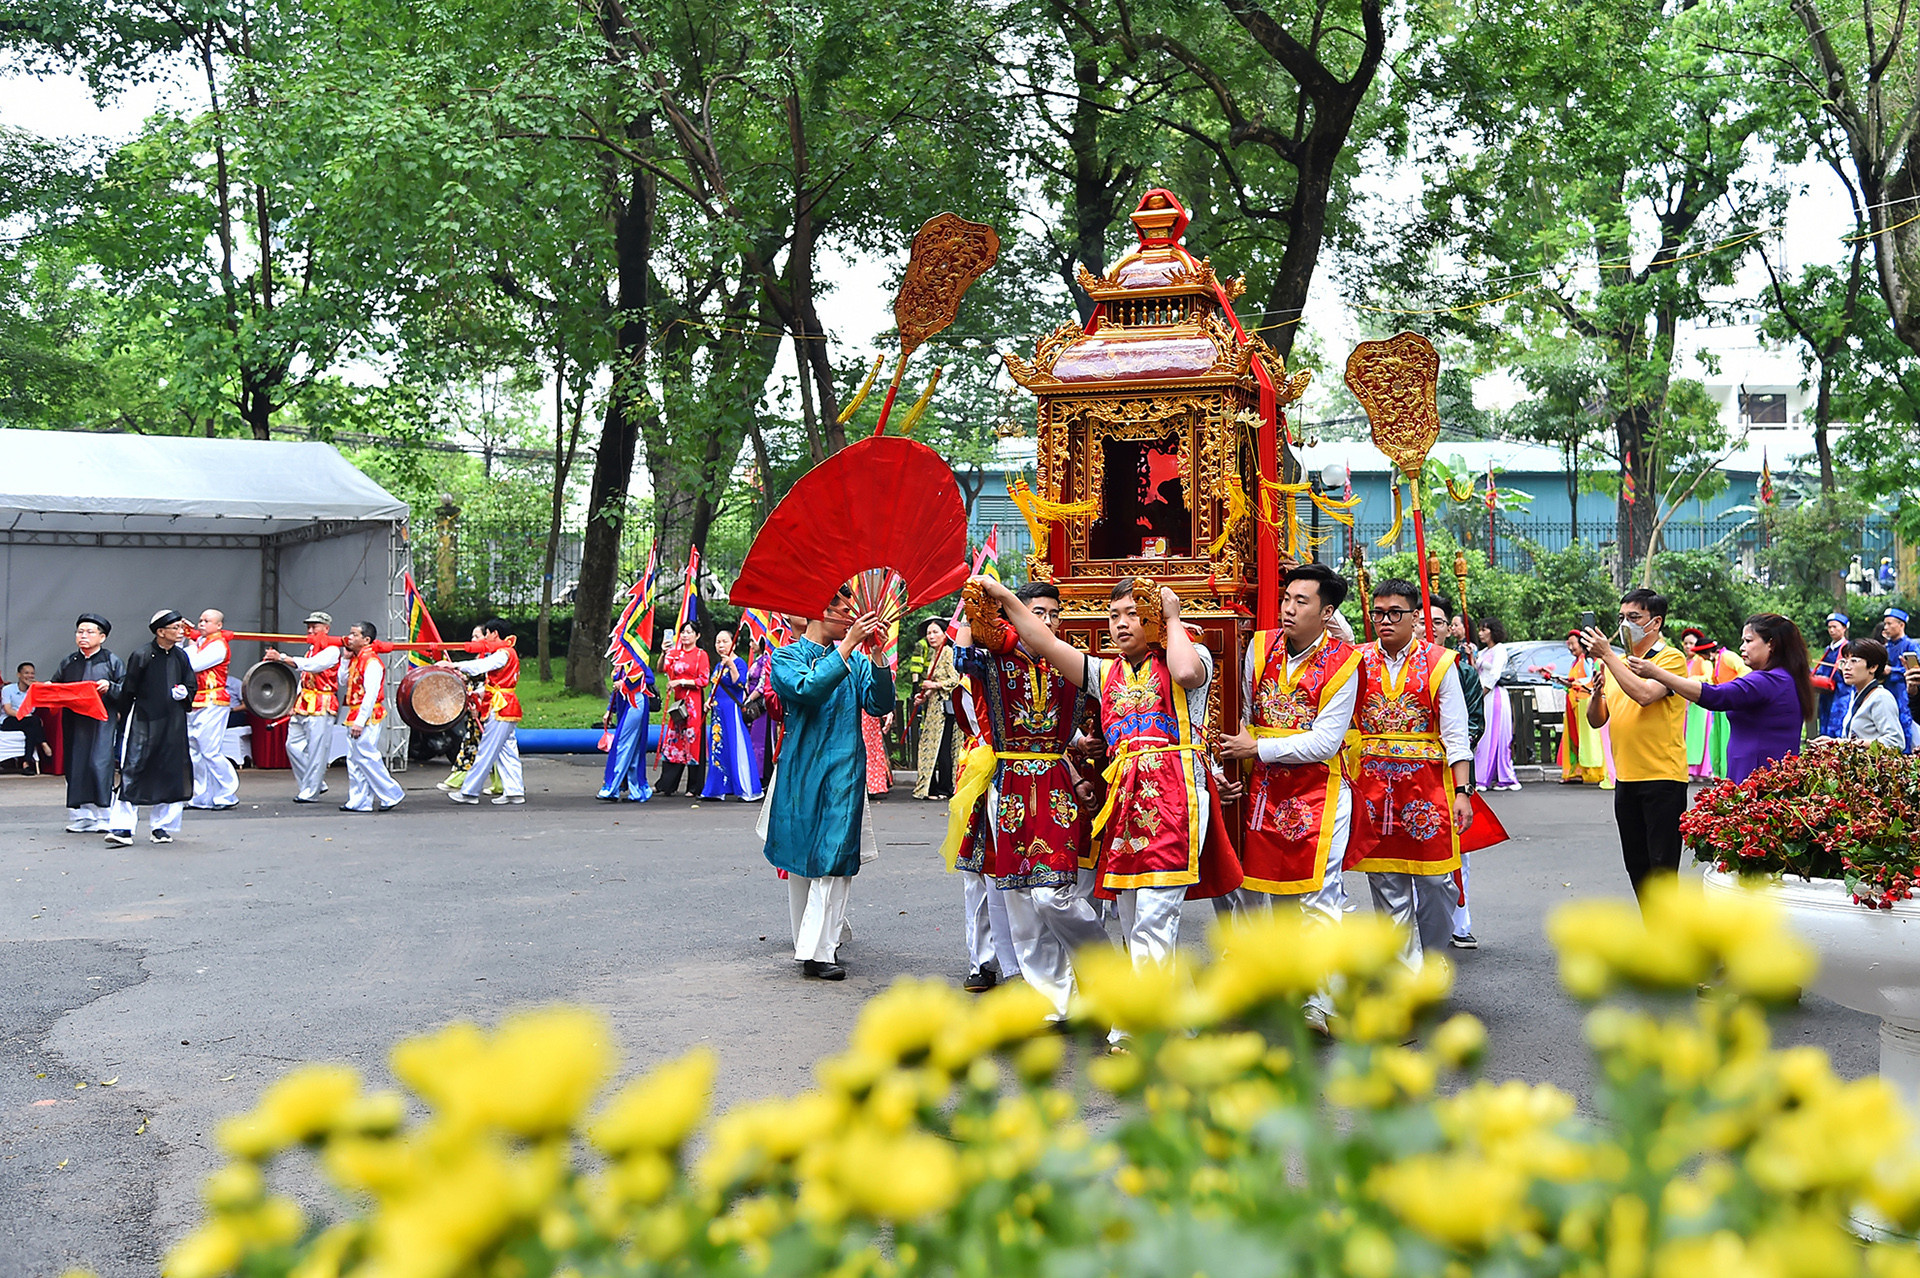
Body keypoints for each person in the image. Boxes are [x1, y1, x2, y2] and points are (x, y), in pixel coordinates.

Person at [975, 574, 1240, 1002]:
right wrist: (1005, 596)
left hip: (1176, 795)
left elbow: (1187, 672)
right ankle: (1179, 1015)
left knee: (1156, 912)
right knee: (1136, 918)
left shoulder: (1191, 654)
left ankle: (1136, 1025)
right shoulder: (1102, 671)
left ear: (1153, 616)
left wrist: (1172, 617)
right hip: (1128, 802)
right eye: (1114, 615)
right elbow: (1045, 644)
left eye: (1133, 614)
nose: (1121, 624)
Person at [1215, 563, 1359, 1027]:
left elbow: (1324, 741)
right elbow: (1239, 711)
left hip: (1320, 790)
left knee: (1319, 895)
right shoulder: (1258, 647)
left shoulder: (1345, 663)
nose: (1289, 609)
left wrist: (1256, 747)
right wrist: (1231, 766)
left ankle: (1322, 998)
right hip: (1262, 790)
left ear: (1327, 611)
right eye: (1287, 599)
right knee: (1261, 893)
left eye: (1302, 601)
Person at [949, 580, 1091, 1012]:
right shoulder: (993, 660)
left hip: (1055, 782)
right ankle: (1054, 999)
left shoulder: (1069, 662)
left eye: (1052, 613)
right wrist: (972, 611)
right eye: (1037, 613)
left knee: (1054, 892)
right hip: (1007, 782)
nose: (1046, 621)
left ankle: (1103, 965)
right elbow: (960, 656)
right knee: (1019, 896)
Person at [763, 583, 894, 981]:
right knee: (806, 859)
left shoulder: (855, 662)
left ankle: (820, 950)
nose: (850, 615)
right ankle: (812, 941)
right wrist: (847, 647)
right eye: (842, 607)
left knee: (837, 859)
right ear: (818, 609)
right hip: (801, 773)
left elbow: (880, 704)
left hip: (845, 773)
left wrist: (877, 656)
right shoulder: (785, 658)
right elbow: (809, 689)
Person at [1342, 581, 1475, 971]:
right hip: (1373, 791)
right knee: (1387, 884)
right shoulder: (1355, 659)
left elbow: (1456, 733)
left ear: (1416, 617)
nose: (1385, 621)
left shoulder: (1440, 662)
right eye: (1378, 613)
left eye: (1394, 613)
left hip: (1428, 790)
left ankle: (1431, 956)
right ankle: (1406, 976)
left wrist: (1463, 791)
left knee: (1438, 883)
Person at [1581, 589, 1690, 901]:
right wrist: (1597, 694)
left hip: (1662, 777)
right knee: (1637, 865)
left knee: (1662, 867)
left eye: (1634, 617)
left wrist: (1609, 657)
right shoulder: (1618, 664)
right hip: (1626, 778)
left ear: (1654, 623)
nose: (1625, 624)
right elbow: (1597, 720)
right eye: (1621, 618)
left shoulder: (1670, 658)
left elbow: (1645, 695)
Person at [1629, 612, 1813, 783]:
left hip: (1757, 776)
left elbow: (1715, 695)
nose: (1742, 647)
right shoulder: (1786, 677)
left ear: (1771, 644)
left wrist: (1657, 673)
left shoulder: (1768, 680)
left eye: (1749, 641)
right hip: (1768, 773)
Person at [106, 610, 195, 845]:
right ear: (160, 631)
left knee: (172, 770)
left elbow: (190, 683)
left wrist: (186, 693)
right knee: (134, 768)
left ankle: (162, 827)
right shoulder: (142, 655)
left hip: (173, 720)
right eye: (175, 628)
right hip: (144, 719)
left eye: (180, 627)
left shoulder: (181, 657)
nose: (180, 632)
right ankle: (122, 828)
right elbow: (129, 689)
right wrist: (123, 716)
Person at [55, 615, 125, 832]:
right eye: (80, 632)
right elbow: (56, 685)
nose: (83, 636)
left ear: (102, 637)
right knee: (76, 765)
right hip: (75, 721)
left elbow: (127, 688)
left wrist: (110, 686)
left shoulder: (111, 660)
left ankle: (105, 815)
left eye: (89, 632)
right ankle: (83, 816)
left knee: (99, 763)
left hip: (101, 721)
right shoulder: (69, 662)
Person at [445, 619, 524, 806]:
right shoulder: (507, 652)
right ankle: (515, 791)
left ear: (494, 634)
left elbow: (482, 666)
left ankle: (470, 792)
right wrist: (477, 693)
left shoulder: (503, 653)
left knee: (487, 750)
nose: (486, 638)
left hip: (500, 706)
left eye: (486, 634)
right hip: (505, 704)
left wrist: (455, 665)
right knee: (507, 751)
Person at [264, 613, 341, 803]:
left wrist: (282, 657)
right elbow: (304, 678)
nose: (310, 631)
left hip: (322, 703)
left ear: (326, 629)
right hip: (304, 702)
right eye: (309, 627)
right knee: (293, 745)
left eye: (315, 627)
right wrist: (294, 702)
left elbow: (313, 666)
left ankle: (310, 791)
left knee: (316, 749)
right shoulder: (310, 650)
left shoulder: (332, 650)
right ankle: (315, 783)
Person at [336, 621, 404, 813]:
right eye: (350, 634)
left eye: (354, 634)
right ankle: (360, 801)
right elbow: (342, 680)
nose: (350, 638)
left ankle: (391, 793)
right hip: (356, 712)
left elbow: (371, 694)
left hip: (366, 714)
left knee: (366, 756)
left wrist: (360, 721)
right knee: (355, 759)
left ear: (366, 640)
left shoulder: (372, 661)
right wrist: (345, 659)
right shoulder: (357, 659)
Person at [184, 609, 239, 811]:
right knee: (194, 750)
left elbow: (194, 664)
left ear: (218, 626)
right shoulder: (200, 643)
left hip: (214, 700)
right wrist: (191, 640)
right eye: (200, 620)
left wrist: (190, 642)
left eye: (207, 621)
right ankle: (201, 794)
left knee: (209, 749)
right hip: (196, 700)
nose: (201, 624)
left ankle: (227, 791)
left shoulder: (218, 645)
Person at [701, 628, 764, 801]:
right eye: (718, 642)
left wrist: (731, 665)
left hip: (732, 711)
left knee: (737, 746)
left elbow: (740, 683)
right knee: (717, 748)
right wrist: (708, 701)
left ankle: (747, 789)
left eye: (724, 641)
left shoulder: (739, 662)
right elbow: (715, 686)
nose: (721, 645)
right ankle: (716, 789)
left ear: (733, 644)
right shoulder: (718, 665)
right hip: (717, 712)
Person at [1678, 627, 1748, 781]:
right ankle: (1720, 773)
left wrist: (1736, 689)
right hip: (1723, 703)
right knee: (1717, 740)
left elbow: (1744, 671)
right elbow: (1713, 680)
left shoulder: (1728, 656)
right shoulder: (1715, 661)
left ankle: (1728, 774)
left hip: (1733, 701)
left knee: (1728, 739)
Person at [1816, 639, 1907, 750]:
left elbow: (1895, 742)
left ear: (1873, 667)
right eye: (1844, 662)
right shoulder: (1856, 695)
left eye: (1854, 661)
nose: (1846, 667)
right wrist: (1834, 742)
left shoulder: (1881, 697)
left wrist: (1845, 743)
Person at [912, 618, 962, 800]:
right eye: (929, 633)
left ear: (944, 634)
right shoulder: (934, 654)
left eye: (935, 632)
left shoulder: (948, 652)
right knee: (930, 747)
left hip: (945, 709)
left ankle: (944, 788)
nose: (931, 636)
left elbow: (955, 679)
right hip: (933, 709)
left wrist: (935, 684)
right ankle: (930, 788)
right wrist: (922, 696)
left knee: (943, 748)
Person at [658, 622, 709, 796]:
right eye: (683, 632)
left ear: (697, 636)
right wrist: (664, 653)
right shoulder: (675, 654)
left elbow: (703, 680)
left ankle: (694, 786)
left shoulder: (701, 655)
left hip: (694, 703)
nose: (685, 635)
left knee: (693, 741)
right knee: (674, 740)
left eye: (689, 632)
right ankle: (667, 784)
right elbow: (663, 668)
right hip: (678, 703)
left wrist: (681, 682)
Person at [1472, 617, 1521, 792]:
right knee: (1485, 735)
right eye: (1480, 630)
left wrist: (1482, 692)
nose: (1481, 633)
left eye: (1484, 629)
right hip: (1485, 694)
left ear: (1493, 631)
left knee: (1495, 735)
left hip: (1494, 695)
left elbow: (1495, 673)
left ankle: (1500, 777)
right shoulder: (1484, 651)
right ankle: (1487, 776)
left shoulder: (1500, 650)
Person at [1556, 630, 1606, 785]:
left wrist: (1572, 683)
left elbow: (1589, 680)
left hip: (1585, 703)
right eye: (1569, 644)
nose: (1571, 647)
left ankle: (1591, 771)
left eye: (1573, 643)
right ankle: (1577, 771)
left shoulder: (1588, 661)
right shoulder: (1577, 661)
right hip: (1574, 703)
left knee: (1587, 739)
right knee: (1574, 738)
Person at [599, 667, 657, 801]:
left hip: (635, 703)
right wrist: (610, 710)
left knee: (621, 745)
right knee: (633, 748)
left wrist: (625, 683)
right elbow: (616, 690)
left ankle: (612, 787)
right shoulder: (621, 663)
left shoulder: (638, 659)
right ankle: (637, 790)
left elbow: (649, 679)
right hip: (623, 704)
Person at [3, 661, 51, 775]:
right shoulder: (8, 689)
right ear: (19, 675)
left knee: (31, 728)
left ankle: (26, 763)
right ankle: (43, 743)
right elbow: (8, 710)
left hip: (28, 721)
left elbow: (48, 694)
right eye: (26, 673)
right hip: (9, 720)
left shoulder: (33, 691)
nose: (30, 676)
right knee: (34, 721)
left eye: (32, 674)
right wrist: (23, 715)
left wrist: (37, 687)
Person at [1881, 607, 1919, 749]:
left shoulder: (1910, 645)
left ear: (1901, 625)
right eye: (1885, 624)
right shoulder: (1886, 647)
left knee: (1905, 726)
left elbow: (1915, 669)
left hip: (1905, 693)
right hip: (1888, 692)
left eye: (1890, 624)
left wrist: (1892, 670)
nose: (1886, 627)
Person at [1811, 613, 1850, 739]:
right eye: (1829, 627)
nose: (1832, 630)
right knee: (1824, 723)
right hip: (1826, 692)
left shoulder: (1848, 648)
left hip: (1842, 693)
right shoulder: (1828, 649)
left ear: (1844, 628)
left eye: (1835, 627)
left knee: (1838, 725)